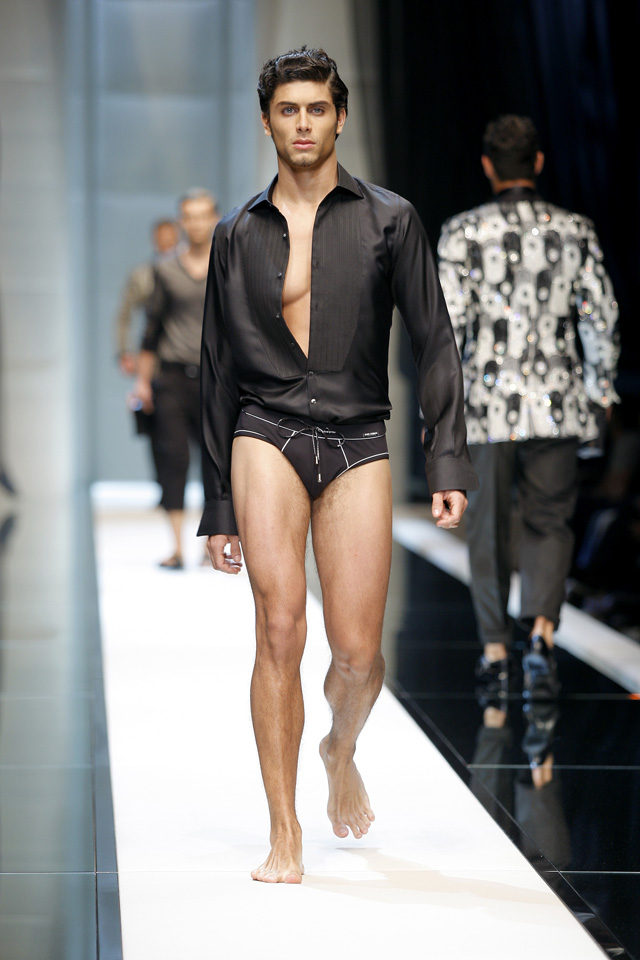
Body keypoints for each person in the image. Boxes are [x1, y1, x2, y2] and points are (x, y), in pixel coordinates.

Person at [198, 47, 478, 884]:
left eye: (317, 108)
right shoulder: (237, 233)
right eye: (288, 110)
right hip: (266, 429)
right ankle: (283, 832)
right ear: (267, 122)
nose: (303, 123)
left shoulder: (392, 219)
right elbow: (217, 367)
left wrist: (447, 458)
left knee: (357, 655)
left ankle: (338, 747)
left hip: (358, 436)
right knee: (280, 626)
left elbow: (435, 340)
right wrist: (218, 503)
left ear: (340, 117)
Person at [438, 115, 620, 703]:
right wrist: (601, 391)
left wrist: (441, 410)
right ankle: (540, 635)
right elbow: (601, 317)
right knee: (550, 521)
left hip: (486, 407)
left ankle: (495, 653)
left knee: (487, 528)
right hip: (558, 404)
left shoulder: (463, 232)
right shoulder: (575, 230)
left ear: (487, 165)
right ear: (538, 162)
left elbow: (447, 329)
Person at [134, 190, 220, 568]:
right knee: (173, 459)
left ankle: (209, 544)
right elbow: (151, 329)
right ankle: (177, 547)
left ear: (215, 218)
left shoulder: (226, 265)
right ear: (181, 221)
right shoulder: (166, 270)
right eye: (190, 216)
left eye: (203, 215)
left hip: (215, 379)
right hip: (171, 377)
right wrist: (142, 381)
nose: (197, 222)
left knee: (215, 462)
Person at [114, 219, 179, 376]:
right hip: (153, 353)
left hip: (186, 352)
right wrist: (124, 351)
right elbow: (124, 313)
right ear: (155, 240)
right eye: (162, 239)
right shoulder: (142, 275)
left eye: (170, 239)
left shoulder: (193, 273)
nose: (167, 244)